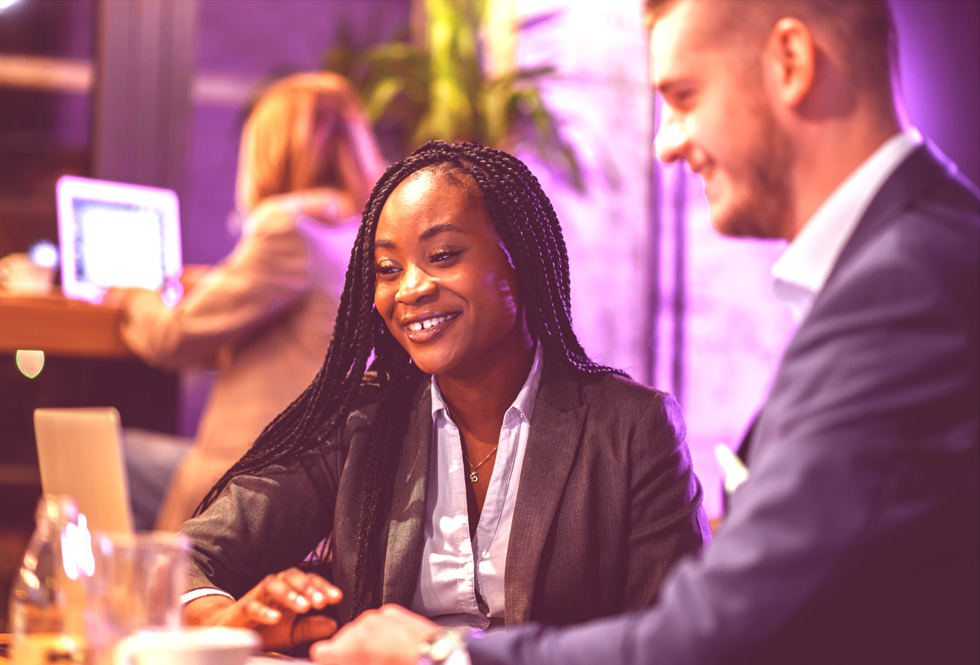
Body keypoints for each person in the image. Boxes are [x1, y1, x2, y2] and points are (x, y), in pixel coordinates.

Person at [310, 1, 980, 664]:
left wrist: (440, 653)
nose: (667, 143)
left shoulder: (907, 288)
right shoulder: (919, 259)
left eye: (684, 96)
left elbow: (721, 633)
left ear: (791, 62)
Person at [177, 140, 711, 653]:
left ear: (517, 262)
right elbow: (187, 560)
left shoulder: (632, 429)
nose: (410, 288)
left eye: (443, 254)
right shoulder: (361, 418)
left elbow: (676, 643)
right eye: (388, 269)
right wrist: (232, 619)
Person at [108, 71, 386, 530]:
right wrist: (217, 282)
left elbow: (171, 338)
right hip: (319, 475)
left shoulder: (289, 230)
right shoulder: (358, 231)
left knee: (109, 452)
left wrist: (134, 295)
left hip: (251, 479)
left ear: (271, 150)